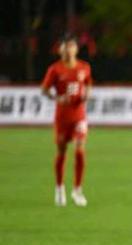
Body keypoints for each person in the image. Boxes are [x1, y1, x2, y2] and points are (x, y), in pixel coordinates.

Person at [41, 35, 92, 207]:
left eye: (71, 46)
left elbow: (88, 84)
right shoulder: (55, 69)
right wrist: (57, 97)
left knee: (80, 149)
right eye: (65, 46)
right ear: (60, 50)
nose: (68, 50)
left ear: (76, 49)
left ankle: (77, 190)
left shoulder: (84, 67)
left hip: (79, 116)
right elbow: (44, 89)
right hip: (62, 117)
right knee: (62, 152)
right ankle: (59, 187)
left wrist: (87, 94)